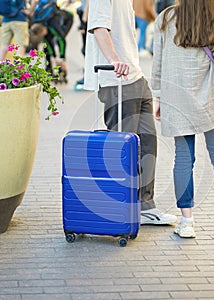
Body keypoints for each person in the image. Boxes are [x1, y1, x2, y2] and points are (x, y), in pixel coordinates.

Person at [151, 0, 214, 239]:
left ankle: (186, 223)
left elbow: (158, 63)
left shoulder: (165, 19)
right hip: (210, 101)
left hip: (177, 99)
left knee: (184, 159)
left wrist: (158, 96)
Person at [84, 0, 177, 226]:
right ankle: (120, 209)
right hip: (116, 80)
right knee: (123, 151)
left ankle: (145, 207)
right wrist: (115, 61)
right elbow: (98, 28)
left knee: (147, 144)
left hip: (135, 76)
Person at [29, 2, 73, 81]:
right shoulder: (38, 24)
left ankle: (62, 68)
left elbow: (62, 40)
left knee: (59, 40)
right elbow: (47, 44)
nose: (44, 36)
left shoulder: (53, 25)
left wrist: (62, 58)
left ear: (44, 29)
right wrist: (54, 57)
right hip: (48, 25)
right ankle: (51, 68)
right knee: (48, 42)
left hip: (67, 20)